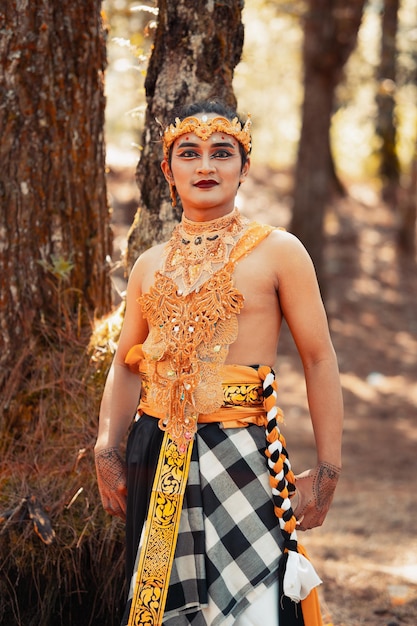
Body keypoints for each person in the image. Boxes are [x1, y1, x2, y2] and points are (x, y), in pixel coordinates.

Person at [94, 100, 343, 626]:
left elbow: (319, 359)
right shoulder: (148, 265)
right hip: (156, 450)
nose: (205, 166)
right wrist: (106, 449)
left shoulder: (280, 252)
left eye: (221, 153)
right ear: (167, 170)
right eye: (189, 153)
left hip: (242, 449)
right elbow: (124, 366)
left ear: (243, 167)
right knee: (163, 604)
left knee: (253, 602)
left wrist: (327, 469)